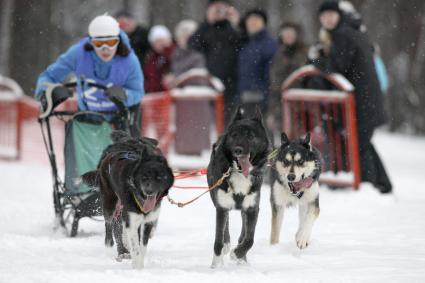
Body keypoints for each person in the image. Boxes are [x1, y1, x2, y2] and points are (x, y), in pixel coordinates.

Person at [314, 1, 392, 193]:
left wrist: (316, 60)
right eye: (324, 16)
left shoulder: (343, 35)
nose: (328, 19)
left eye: (331, 15)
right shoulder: (351, 31)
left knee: (360, 145)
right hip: (366, 101)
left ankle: (368, 185)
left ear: (339, 15)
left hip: (363, 103)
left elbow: (337, 66)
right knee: (363, 143)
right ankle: (382, 185)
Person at [35, 14, 144, 138]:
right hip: (87, 115)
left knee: (124, 154)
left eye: (111, 42)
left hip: (120, 118)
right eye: (99, 43)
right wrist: (45, 94)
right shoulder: (78, 54)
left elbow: (138, 92)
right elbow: (49, 75)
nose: (105, 49)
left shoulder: (130, 60)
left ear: (118, 41)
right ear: (91, 42)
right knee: (79, 153)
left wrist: (125, 95)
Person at [188, 0, 243, 125]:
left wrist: (237, 23)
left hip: (233, 82)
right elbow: (192, 43)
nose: (219, 12)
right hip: (212, 81)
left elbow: (244, 42)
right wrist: (207, 21)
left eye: (222, 8)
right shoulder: (207, 29)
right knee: (212, 120)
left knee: (230, 118)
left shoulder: (233, 27)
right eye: (216, 9)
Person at [268, 22, 307, 139]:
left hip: (304, 106)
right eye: (285, 33)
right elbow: (274, 86)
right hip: (283, 107)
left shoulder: (307, 53)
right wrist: (272, 112)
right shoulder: (278, 56)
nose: (288, 36)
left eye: (291, 33)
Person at [237, 9, 277, 117]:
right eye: (249, 21)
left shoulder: (270, 44)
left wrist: (268, 98)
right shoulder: (246, 43)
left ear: (264, 23)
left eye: (256, 20)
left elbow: (271, 74)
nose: (252, 23)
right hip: (245, 97)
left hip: (261, 99)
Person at [143, 25, 175, 93]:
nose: (160, 44)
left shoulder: (175, 54)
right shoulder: (151, 57)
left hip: (170, 93)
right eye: (157, 41)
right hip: (154, 94)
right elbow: (148, 77)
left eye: (162, 40)